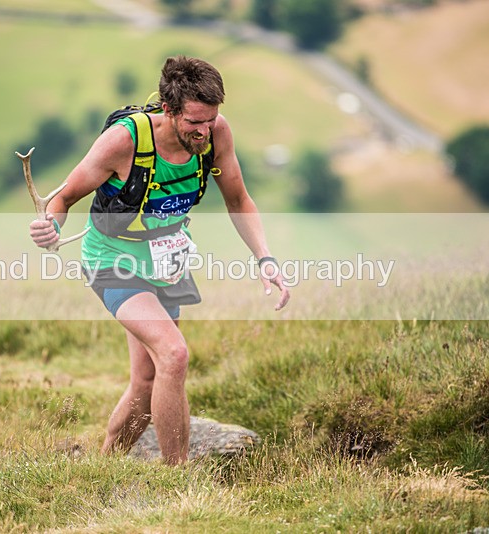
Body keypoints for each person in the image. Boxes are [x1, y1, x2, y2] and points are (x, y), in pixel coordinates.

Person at [29, 56, 289, 465]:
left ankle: (104, 466)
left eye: (211, 120)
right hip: (113, 259)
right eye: (194, 122)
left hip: (168, 260)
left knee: (147, 382)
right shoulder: (124, 141)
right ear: (168, 110)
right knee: (173, 354)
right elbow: (63, 198)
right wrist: (51, 227)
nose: (204, 132)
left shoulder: (216, 133)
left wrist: (265, 258)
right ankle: (176, 476)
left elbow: (239, 200)